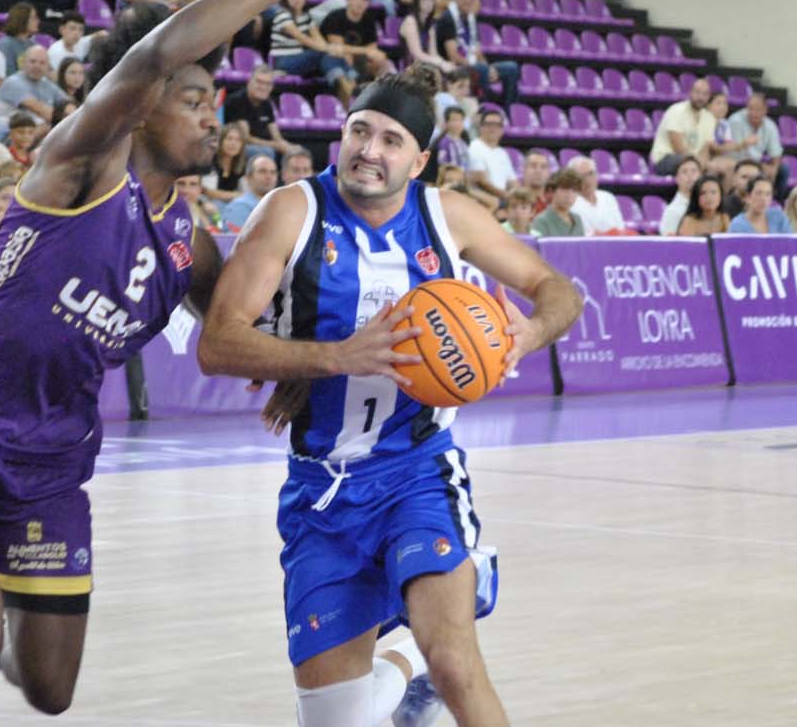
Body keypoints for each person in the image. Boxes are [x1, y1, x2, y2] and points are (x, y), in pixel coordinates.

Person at [0, 0, 343, 727]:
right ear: (143, 104)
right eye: (196, 98)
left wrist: (314, 372)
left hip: (54, 456)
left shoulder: (187, 243)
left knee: (49, 689)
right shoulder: (83, 161)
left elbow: (238, 330)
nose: (215, 114)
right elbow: (159, 48)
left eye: (216, 102)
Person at [197, 59, 581, 727]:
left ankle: (429, 653)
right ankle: (406, 664)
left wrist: (526, 335)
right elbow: (219, 342)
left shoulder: (448, 216)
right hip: (321, 488)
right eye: (358, 131)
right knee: (335, 719)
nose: (369, 151)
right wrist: (336, 356)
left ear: (421, 159)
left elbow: (560, 291)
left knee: (459, 662)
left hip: (417, 469)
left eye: (390, 140)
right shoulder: (293, 211)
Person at [437, 0, 518, 105]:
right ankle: (485, 105)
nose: (468, 0)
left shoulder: (470, 18)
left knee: (511, 68)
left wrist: (489, 68)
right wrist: (482, 67)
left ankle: (507, 108)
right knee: (481, 70)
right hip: (454, 66)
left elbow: (477, 50)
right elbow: (453, 55)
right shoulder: (448, 18)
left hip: (474, 64)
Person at [272, 0, 358, 102]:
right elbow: (304, 39)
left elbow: (319, 40)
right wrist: (331, 48)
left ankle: (347, 87)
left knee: (331, 57)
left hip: (303, 61)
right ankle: (352, 91)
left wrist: (332, 50)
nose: (297, 0)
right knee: (325, 53)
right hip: (284, 62)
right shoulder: (282, 15)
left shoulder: (306, 17)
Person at [223, 62, 302, 160]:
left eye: (268, 84)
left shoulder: (266, 103)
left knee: (299, 152)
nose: (263, 87)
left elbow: (277, 137)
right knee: (266, 152)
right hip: (235, 146)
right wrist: (276, 145)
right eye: (259, 82)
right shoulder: (237, 100)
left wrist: (289, 147)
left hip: (260, 145)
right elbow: (246, 138)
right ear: (249, 82)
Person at [650, 77, 724, 178]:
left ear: (709, 97)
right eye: (697, 92)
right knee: (692, 167)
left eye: (705, 94)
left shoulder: (709, 118)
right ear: (690, 92)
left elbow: (706, 148)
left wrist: (705, 164)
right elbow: (677, 147)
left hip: (694, 160)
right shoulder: (676, 110)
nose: (700, 97)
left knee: (722, 168)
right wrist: (700, 163)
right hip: (666, 158)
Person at [322, 0, 392, 82]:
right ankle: (351, 90)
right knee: (346, 56)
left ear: (368, 3)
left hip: (358, 56)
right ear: (348, 0)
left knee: (380, 57)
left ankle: (378, 88)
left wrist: (367, 52)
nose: (359, 3)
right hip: (332, 55)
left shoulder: (369, 21)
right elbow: (338, 47)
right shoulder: (335, 17)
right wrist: (365, 50)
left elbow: (373, 48)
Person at [0, 45, 67, 134]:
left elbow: (68, 104)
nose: (37, 66)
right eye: (32, 61)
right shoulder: (13, 82)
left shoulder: (47, 84)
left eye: (42, 63)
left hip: (28, 131)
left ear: (48, 67)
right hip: (4, 134)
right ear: (23, 63)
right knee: (45, 126)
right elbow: (41, 110)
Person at [466, 106, 515, 204]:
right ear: (481, 127)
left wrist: (516, 193)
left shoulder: (502, 152)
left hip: (503, 199)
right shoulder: (475, 147)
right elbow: (481, 181)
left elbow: (513, 181)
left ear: (502, 129)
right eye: (488, 124)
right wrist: (506, 196)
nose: (492, 128)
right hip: (485, 201)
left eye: (497, 125)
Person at [566, 156, 625, 235]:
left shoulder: (608, 197)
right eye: (582, 176)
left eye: (590, 173)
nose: (587, 179)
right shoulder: (570, 203)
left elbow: (620, 228)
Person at [221, 152, 277, 228]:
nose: (269, 177)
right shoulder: (237, 208)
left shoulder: (282, 205)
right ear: (248, 178)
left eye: (273, 172)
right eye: (262, 171)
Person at [532, 167, 586, 237]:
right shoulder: (541, 221)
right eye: (564, 189)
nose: (569, 195)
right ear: (552, 191)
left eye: (574, 190)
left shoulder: (577, 219)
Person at [203, 123, 249, 205]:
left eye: (238, 140)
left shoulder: (242, 164)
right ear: (220, 141)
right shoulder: (211, 159)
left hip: (230, 204)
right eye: (229, 139)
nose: (233, 143)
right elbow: (208, 192)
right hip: (209, 203)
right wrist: (236, 195)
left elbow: (246, 193)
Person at [659, 155, 703, 236]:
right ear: (677, 178)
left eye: (694, 171)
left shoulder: (706, 205)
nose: (690, 175)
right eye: (684, 171)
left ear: (701, 176)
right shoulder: (672, 211)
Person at [0, 2, 39, 76]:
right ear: (22, 19)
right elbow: (9, 76)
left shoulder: (33, 45)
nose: (38, 21)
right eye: (34, 18)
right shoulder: (5, 45)